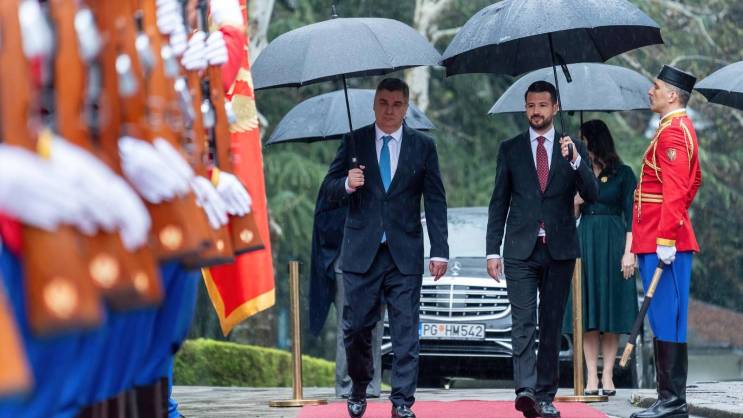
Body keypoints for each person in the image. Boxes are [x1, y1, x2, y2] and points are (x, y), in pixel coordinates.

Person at [321, 77, 448, 418]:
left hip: (404, 253)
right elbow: (328, 189)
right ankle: (359, 387)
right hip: (362, 252)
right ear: (374, 104)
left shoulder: (423, 146)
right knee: (357, 328)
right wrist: (347, 184)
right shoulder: (355, 141)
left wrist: (440, 249)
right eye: (383, 103)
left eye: (396, 104)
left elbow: (435, 199)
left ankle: (403, 401)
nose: (389, 110)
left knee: (406, 329)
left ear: (406, 107)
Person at [485, 80, 598, 418]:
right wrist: (492, 250)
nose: (536, 112)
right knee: (523, 322)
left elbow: (592, 195)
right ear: (525, 109)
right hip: (520, 249)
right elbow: (498, 202)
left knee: (550, 324)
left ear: (555, 108)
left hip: (559, 249)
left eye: (542, 105)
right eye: (531, 106)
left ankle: (545, 396)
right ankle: (525, 390)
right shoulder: (510, 149)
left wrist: (576, 160)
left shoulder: (573, 148)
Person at [630, 65, 701, 418]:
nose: (650, 91)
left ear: (672, 95)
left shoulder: (673, 133)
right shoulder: (676, 128)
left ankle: (672, 401)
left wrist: (667, 236)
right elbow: (694, 181)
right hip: (660, 235)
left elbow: (676, 189)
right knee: (663, 318)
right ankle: (668, 399)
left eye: (655, 87)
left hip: (662, 239)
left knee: (666, 318)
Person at [562, 119, 638, 396]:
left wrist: (630, 252)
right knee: (588, 312)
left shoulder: (623, 174)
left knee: (610, 311)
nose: (579, 145)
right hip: (586, 241)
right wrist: (575, 201)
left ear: (595, 141)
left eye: (583, 140)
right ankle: (591, 376)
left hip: (614, 241)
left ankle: (608, 375)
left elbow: (633, 215)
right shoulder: (577, 172)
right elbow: (570, 215)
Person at [308, 180, 384, 399]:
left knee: (375, 324)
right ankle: (345, 384)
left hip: (377, 260)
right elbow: (324, 221)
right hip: (345, 261)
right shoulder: (337, 179)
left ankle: (371, 384)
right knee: (347, 325)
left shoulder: (381, 176)